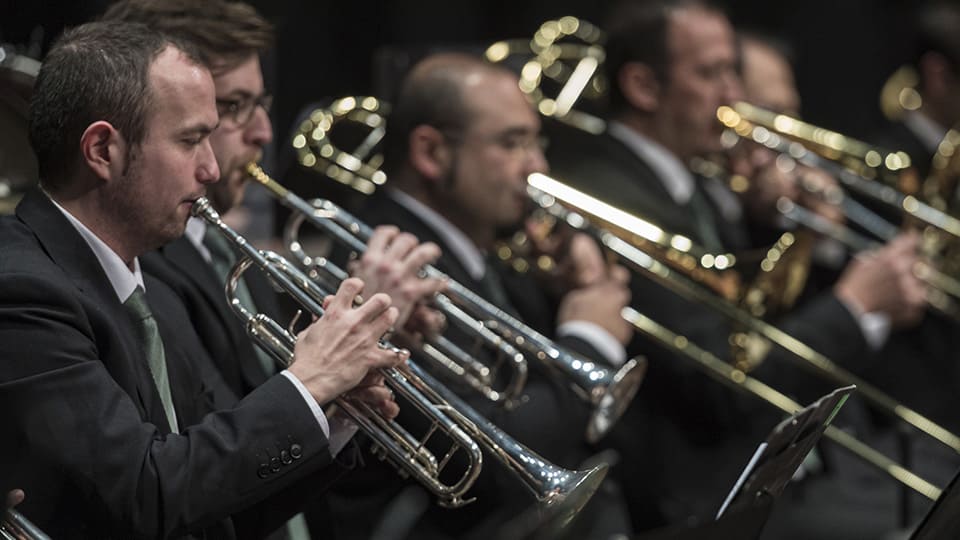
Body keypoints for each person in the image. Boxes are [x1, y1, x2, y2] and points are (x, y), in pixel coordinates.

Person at [0, 21, 404, 538]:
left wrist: (332, 409)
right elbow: (145, 495)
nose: (212, 169)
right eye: (191, 140)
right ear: (102, 150)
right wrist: (309, 382)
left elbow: (216, 504)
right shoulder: (20, 291)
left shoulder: (154, 295)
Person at [546, 0, 929, 529]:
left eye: (732, 70)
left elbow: (754, 314)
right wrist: (855, 306)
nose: (733, 94)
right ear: (642, 86)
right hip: (699, 501)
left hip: (763, 471)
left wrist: (801, 237)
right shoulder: (613, 197)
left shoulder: (687, 178)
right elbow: (720, 387)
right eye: (711, 73)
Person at [324, 52, 636, 539]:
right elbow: (490, 463)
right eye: (513, 143)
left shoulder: (480, 248)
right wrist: (589, 338)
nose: (538, 166)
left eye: (537, 142)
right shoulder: (385, 266)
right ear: (431, 153)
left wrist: (559, 295)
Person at [102, 0, 446, 402]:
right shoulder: (141, 260)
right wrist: (364, 325)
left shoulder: (222, 246)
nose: (264, 133)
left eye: (261, 104)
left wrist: (366, 334)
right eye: (233, 106)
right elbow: (224, 437)